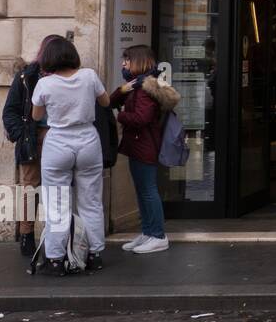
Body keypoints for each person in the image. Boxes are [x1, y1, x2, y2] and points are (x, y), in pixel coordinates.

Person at [30, 37, 110, 275]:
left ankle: (56, 259)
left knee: (56, 204)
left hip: (58, 142)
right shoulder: (89, 76)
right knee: (91, 202)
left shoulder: (45, 84)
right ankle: (95, 254)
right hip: (87, 139)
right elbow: (105, 102)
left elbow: (36, 116)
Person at [109, 45, 179, 254]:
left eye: (127, 60)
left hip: (144, 145)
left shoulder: (146, 90)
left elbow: (141, 119)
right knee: (142, 190)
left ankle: (158, 235)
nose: (123, 64)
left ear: (138, 61)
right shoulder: (137, 86)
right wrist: (122, 90)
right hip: (139, 145)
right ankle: (148, 232)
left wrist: (119, 117)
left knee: (148, 191)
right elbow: (111, 101)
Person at [1, 34, 64, 259]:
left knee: (59, 189)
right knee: (30, 187)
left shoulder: (68, 75)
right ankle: (27, 235)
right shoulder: (26, 76)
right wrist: (23, 135)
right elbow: (10, 111)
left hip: (60, 137)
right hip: (33, 137)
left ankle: (58, 236)